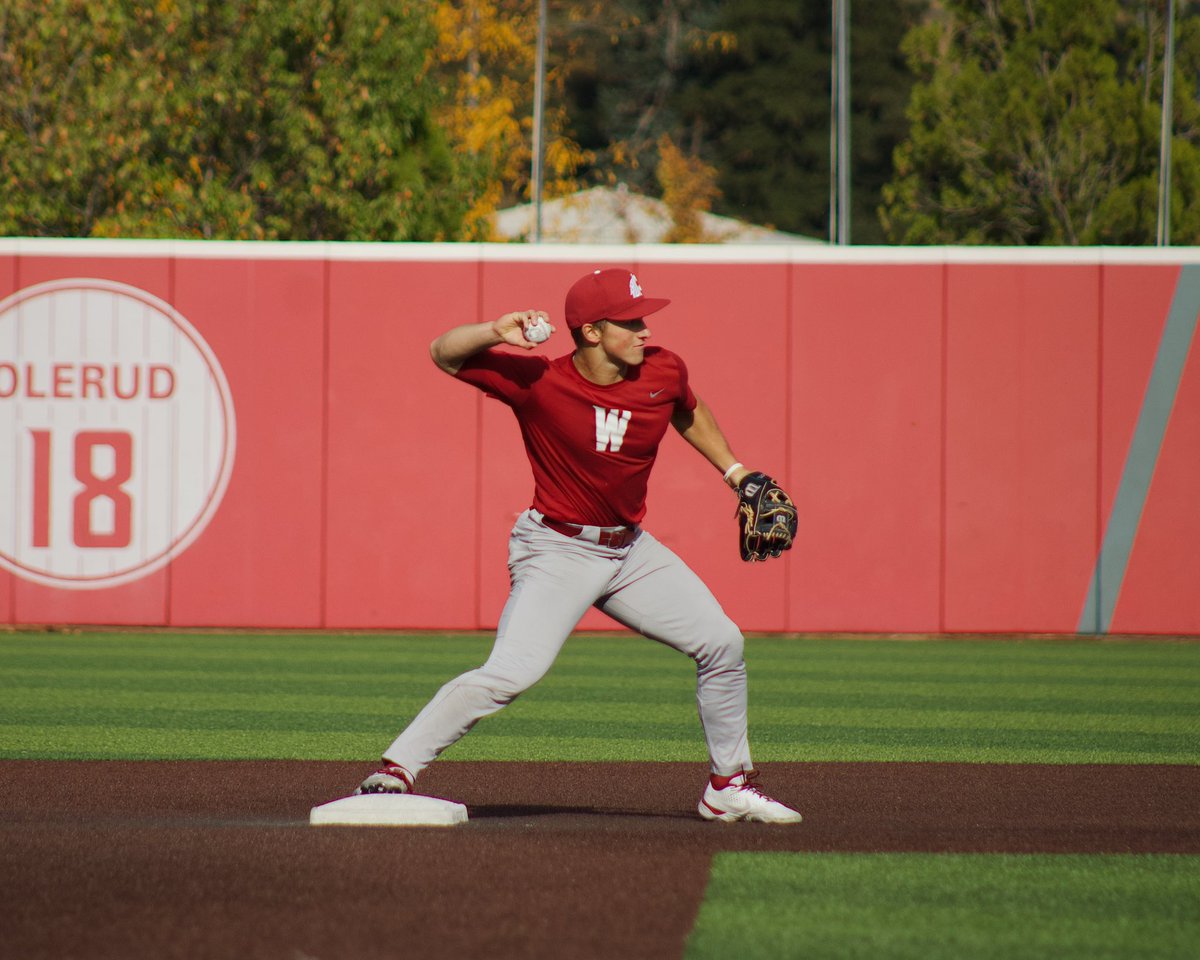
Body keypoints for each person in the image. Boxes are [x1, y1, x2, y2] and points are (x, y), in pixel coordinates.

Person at [354, 268, 801, 823]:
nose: (644, 330)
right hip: (557, 549)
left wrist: (736, 472)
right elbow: (442, 354)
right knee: (512, 672)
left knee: (722, 644)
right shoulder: (539, 381)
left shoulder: (663, 368)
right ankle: (396, 769)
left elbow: (687, 409)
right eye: (631, 321)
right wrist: (495, 330)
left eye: (644, 319)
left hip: (630, 550)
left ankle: (727, 786)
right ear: (592, 331)